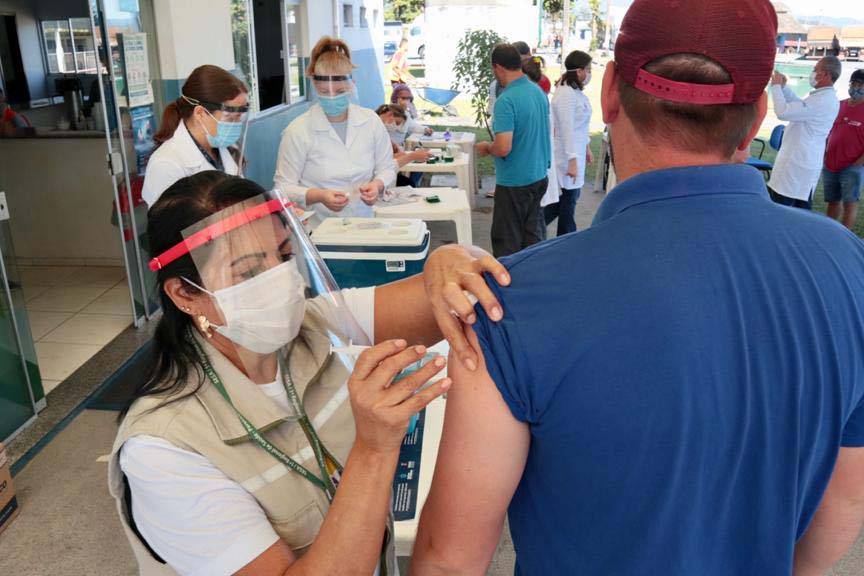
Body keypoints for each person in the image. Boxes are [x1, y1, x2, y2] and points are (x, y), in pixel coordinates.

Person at [411, 1, 864, 574]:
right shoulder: (849, 266)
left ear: (609, 96)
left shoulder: (511, 299)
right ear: (754, 123)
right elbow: (844, 499)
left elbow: (450, 560)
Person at [109, 171, 511, 576]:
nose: (280, 281)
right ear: (185, 294)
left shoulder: (314, 325)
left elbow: (446, 295)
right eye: (248, 272)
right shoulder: (163, 449)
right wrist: (374, 450)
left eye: (283, 256)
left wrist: (449, 259)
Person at [273, 37, 394, 228]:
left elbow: (387, 167)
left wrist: (377, 185)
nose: (332, 98)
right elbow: (282, 188)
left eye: (339, 91)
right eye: (324, 92)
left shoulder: (370, 121)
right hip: (319, 230)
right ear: (314, 86)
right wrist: (319, 196)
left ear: (352, 84)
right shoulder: (298, 131)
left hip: (365, 224)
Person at [476, 43, 551, 257]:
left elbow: (503, 147)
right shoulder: (538, 91)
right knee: (533, 240)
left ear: (498, 67)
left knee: (506, 243)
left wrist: (487, 147)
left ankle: (507, 287)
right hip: (538, 174)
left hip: (514, 181)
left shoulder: (505, 100)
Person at [142, 65, 248, 206]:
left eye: (239, 118)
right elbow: (169, 225)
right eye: (230, 118)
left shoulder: (222, 147)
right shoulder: (166, 164)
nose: (236, 124)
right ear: (200, 113)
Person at [767, 56, 841, 209]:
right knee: (797, 213)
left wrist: (775, 87)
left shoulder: (822, 100)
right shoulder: (822, 97)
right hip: (802, 164)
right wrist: (784, 87)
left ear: (826, 75)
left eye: (816, 69)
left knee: (781, 213)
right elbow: (798, 105)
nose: (812, 73)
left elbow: (783, 112)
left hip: (796, 165)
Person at [545, 50, 594, 236]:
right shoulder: (565, 94)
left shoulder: (575, 92)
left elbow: (580, 126)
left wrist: (587, 147)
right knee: (567, 203)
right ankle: (565, 238)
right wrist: (572, 160)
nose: (589, 74)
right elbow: (566, 129)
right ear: (579, 71)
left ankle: (534, 230)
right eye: (588, 69)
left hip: (576, 152)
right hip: (566, 155)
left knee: (564, 203)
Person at [822, 68, 864, 229]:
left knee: (849, 203)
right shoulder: (839, 105)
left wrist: (858, 164)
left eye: (860, 84)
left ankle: (845, 237)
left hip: (852, 166)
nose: (856, 87)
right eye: (854, 83)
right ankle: (830, 231)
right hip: (831, 163)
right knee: (832, 201)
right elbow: (827, 130)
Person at [375, 104, 432, 170]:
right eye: (396, 122)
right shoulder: (373, 126)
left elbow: (413, 126)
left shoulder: (382, 127)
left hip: (393, 155)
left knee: (420, 162)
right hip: (382, 166)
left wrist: (425, 129)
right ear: (390, 114)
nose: (397, 126)